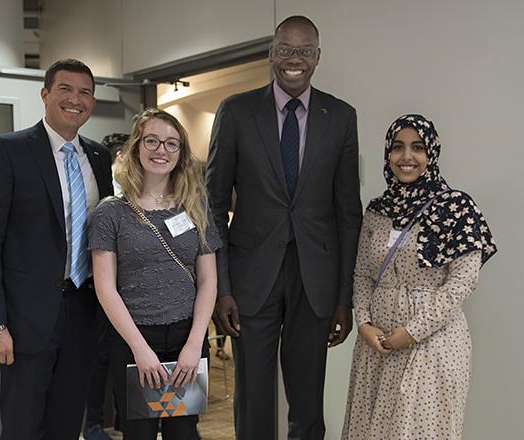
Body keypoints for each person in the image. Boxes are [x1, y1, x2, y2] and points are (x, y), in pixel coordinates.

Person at [206, 15, 362, 439]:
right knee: (254, 400)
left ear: (317, 57)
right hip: (250, 280)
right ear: (272, 53)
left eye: (305, 51)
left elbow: (349, 214)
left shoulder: (341, 117)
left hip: (315, 281)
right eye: (286, 49)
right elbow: (213, 207)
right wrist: (221, 289)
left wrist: (343, 297)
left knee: (308, 403)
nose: (295, 59)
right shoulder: (236, 112)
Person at [0, 58, 113, 440]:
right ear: (45, 94)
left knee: (66, 425)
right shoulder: (7, 150)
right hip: (24, 320)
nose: (75, 100)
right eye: (65, 89)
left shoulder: (99, 158)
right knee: (21, 428)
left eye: (85, 93)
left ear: (92, 103)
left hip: (83, 313)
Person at [342, 114, 497, 439]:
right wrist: (365, 324)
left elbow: (462, 282)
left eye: (417, 147)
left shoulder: (456, 207)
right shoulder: (377, 210)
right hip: (376, 347)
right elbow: (362, 275)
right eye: (397, 147)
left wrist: (412, 331)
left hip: (431, 346)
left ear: (432, 154)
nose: (406, 157)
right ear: (388, 154)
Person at [89, 108, 221, 440]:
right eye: (152, 140)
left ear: (181, 154)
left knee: (184, 433)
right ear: (136, 147)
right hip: (134, 340)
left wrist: (194, 343)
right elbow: (105, 287)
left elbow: (208, 280)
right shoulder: (111, 212)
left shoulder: (195, 205)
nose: (161, 150)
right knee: (139, 434)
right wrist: (139, 348)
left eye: (171, 144)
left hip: (186, 338)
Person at [83, 132, 129, 440]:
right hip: (100, 290)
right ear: (122, 157)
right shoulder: (101, 195)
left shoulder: (142, 193)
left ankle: (128, 422)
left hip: (135, 293)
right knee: (99, 359)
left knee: (127, 357)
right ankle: (94, 425)